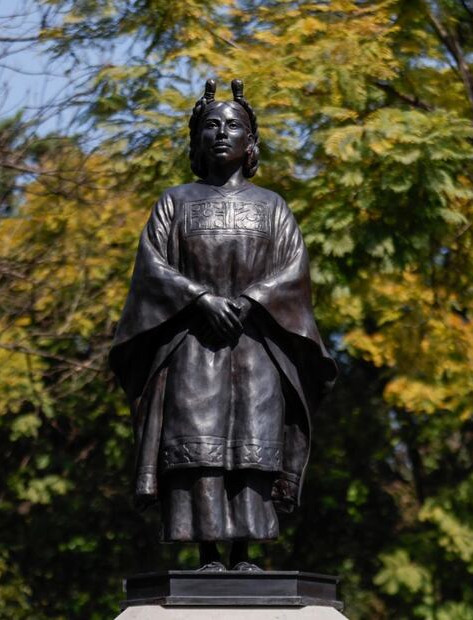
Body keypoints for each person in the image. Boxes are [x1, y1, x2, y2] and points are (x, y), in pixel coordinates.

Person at [109, 79, 336, 571]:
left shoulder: (273, 207)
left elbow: (294, 270)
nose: (221, 133)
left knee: (253, 444)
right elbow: (152, 269)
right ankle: (208, 552)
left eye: (234, 126)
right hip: (193, 342)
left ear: (250, 143)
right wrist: (201, 299)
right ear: (195, 141)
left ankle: (245, 551)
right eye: (210, 125)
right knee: (200, 445)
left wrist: (254, 299)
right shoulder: (174, 202)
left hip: (258, 344)